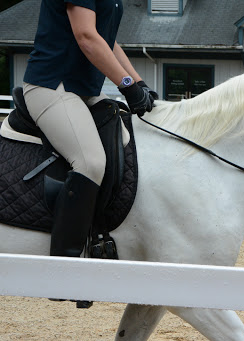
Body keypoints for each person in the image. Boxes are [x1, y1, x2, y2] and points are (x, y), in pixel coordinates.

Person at [22, 0, 157, 259]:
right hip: (52, 86)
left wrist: (139, 82)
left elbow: (107, 42)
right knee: (90, 161)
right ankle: (66, 262)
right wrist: (126, 85)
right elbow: (86, 36)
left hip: (83, 91)